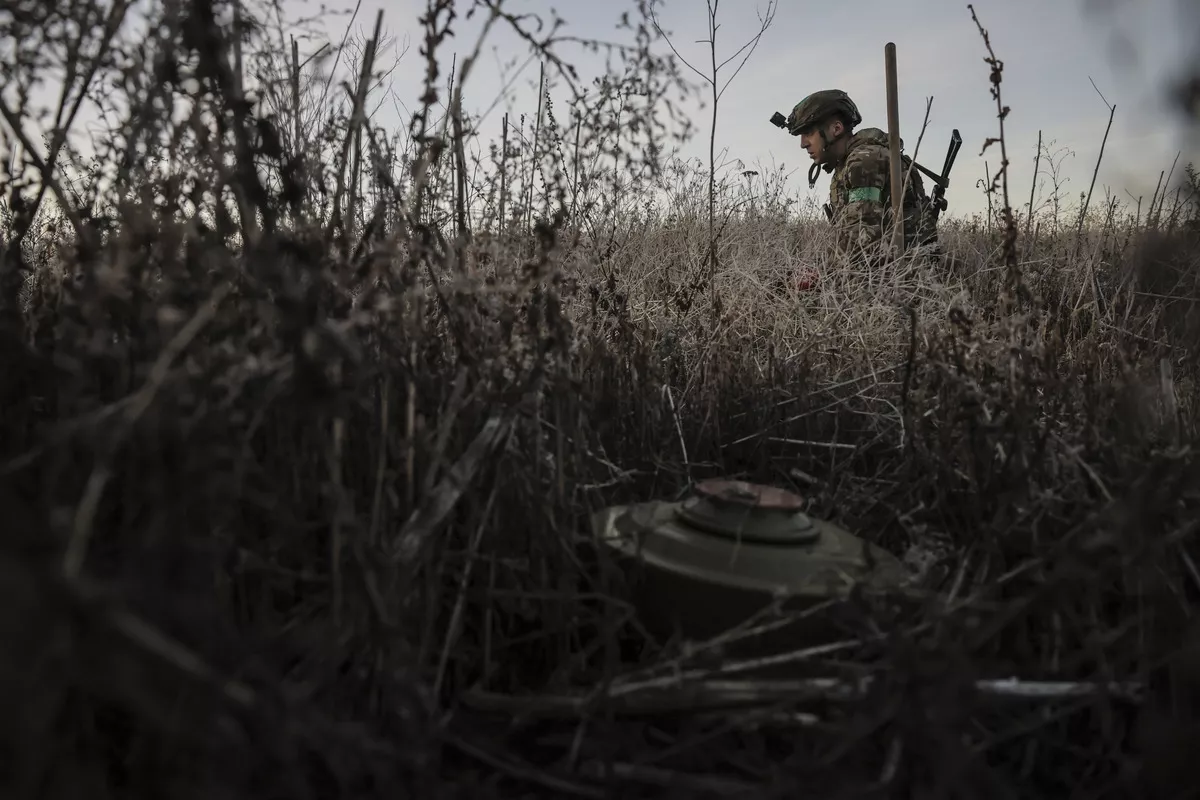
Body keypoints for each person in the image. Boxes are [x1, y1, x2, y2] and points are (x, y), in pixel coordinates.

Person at [785, 89, 939, 265]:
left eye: (809, 133)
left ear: (836, 129)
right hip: (886, 271)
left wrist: (820, 273)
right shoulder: (847, 164)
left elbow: (862, 240)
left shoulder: (864, 160)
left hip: (903, 278)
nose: (803, 144)